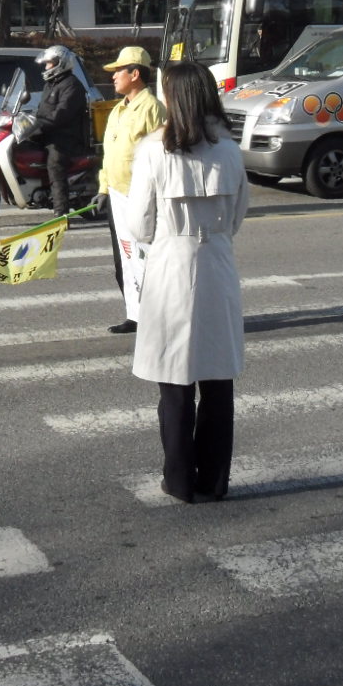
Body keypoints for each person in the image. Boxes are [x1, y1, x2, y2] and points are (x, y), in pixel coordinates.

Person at [129, 61, 249, 504]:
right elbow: (237, 218)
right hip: (217, 263)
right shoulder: (231, 152)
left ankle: (178, 481)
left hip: (170, 266)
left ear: (173, 98)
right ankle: (214, 481)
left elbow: (140, 225)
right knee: (218, 382)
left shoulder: (153, 151)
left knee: (174, 383)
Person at [96, 47, 164, 335]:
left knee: (147, 257)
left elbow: (163, 155)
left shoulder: (153, 108)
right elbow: (109, 154)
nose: (113, 76)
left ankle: (159, 316)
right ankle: (135, 315)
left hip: (142, 197)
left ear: (135, 74)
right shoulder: (118, 109)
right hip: (117, 196)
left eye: (118, 71)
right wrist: (103, 188)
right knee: (124, 258)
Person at [27, 45, 91, 218]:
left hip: (65, 137)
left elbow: (60, 114)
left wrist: (40, 126)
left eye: (49, 63)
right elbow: (43, 111)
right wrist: (29, 121)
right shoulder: (52, 84)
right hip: (49, 132)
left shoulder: (72, 86)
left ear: (60, 64)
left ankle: (61, 214)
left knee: (55, 164)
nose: (46, 67)